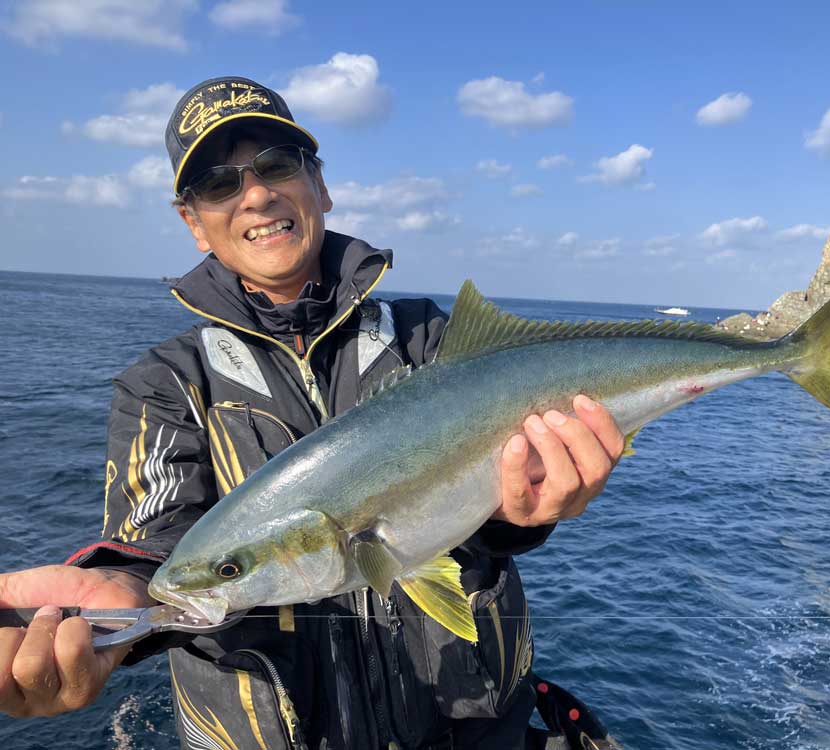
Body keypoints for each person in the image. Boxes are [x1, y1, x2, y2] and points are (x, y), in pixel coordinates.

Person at [0, 76, 625, 749]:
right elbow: (159, 545)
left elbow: (486, 504)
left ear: (319, 186)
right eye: (219, 184)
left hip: (477, 732)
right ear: (194, 221)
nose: (257, 193)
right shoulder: (165, 385)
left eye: (276, 165)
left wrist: (520, 515)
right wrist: (121, 587)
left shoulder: (428, 340)